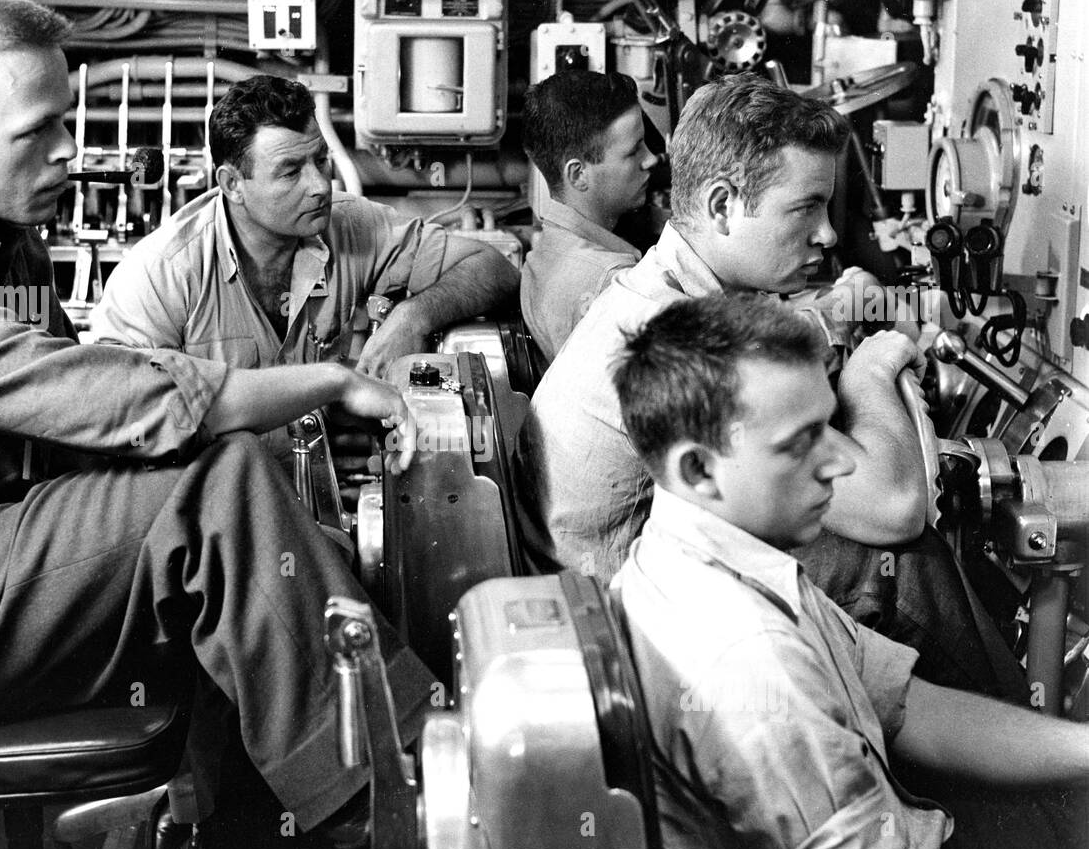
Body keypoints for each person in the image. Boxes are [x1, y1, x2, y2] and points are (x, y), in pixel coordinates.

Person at [0, 0, 437, 849]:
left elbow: (84, 436)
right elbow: (116, 403)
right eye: (37, 132)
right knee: (217, 484)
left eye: (66, 121)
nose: (67, 151)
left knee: (233, 492)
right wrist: (334, 380)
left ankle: (273, 813)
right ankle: (410, 822)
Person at [514, 72, 1026, 703]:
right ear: (724, 205)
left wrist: (836, 316)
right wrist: (872, 365)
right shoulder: (677, 340)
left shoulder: (654, 288)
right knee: (900, 560)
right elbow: (894, 509)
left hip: (603, 595)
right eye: (805, 208)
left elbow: (769, 330)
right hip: (636, 640)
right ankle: (1026, 779)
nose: (828, 235)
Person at [613, 296, 1089, 849]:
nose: (840, 460)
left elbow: (905, 706)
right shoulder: (751, 660)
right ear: (699, 467)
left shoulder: (712, 555)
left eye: (829, 423)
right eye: (802, 441)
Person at [90, 74, 519, 384]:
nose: (319, 186)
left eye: (320, 160)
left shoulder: (351, 224)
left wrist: (414, 316)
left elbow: (494, 269)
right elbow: (124, 411)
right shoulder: (161, 274)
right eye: (290, 171)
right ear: (232, 185)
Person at [520, 70, 653, 362]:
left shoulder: (541, 256)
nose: (651, 159)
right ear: (578, 174)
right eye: (634, 151)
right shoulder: (610, 282)